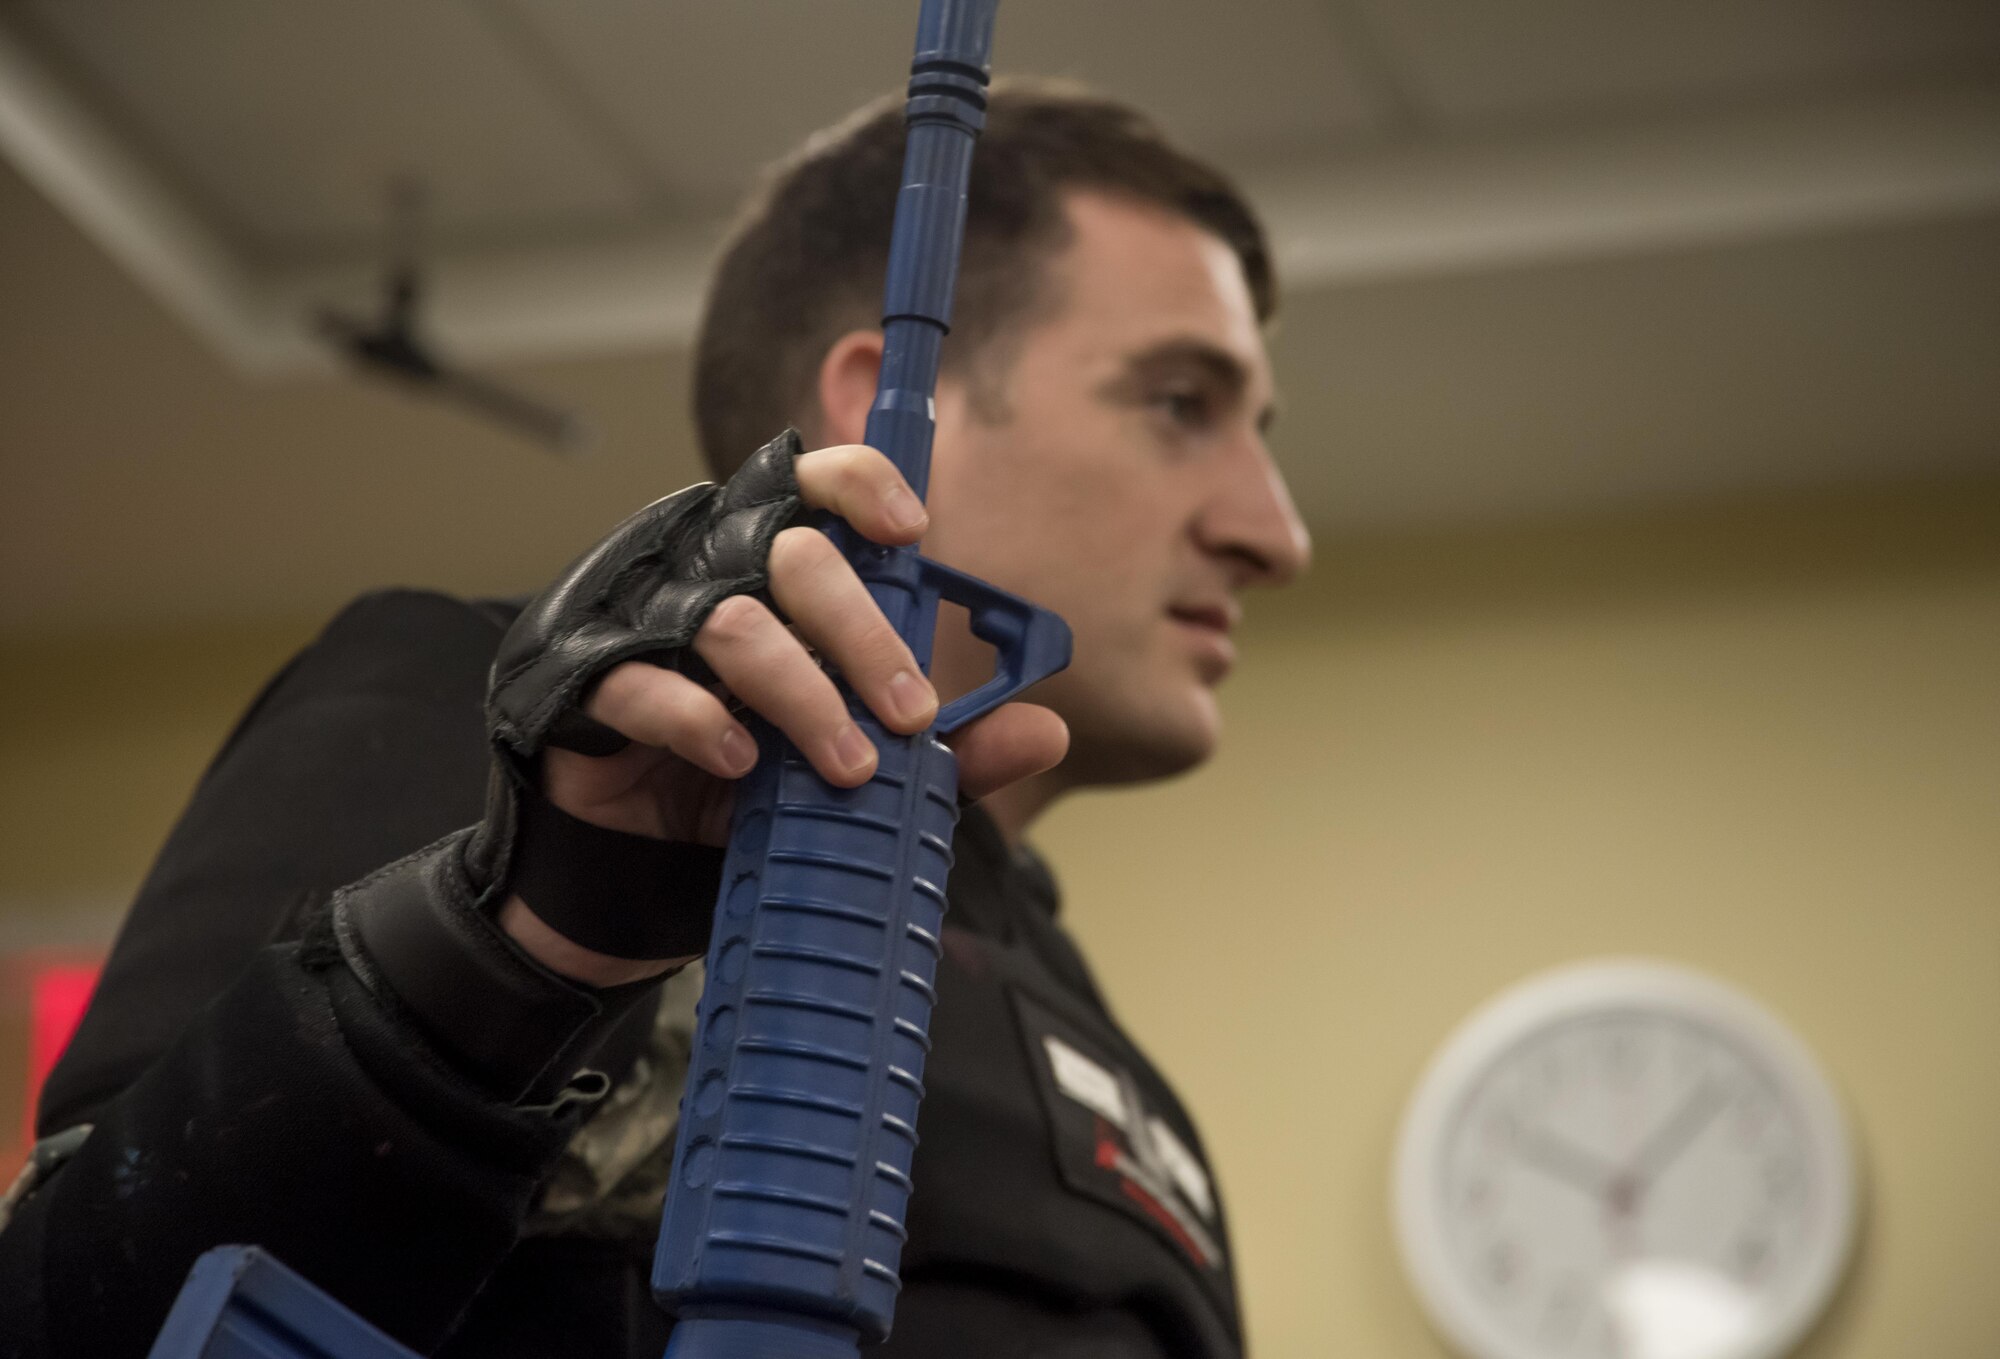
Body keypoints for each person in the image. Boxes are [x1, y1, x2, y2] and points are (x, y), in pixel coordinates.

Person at [0, 82, 1308, 1358]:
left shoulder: (1076, 1005)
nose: (1277, 533)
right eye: (1179, 403)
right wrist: (521, 943)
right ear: (888, 403)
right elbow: (78, 1312)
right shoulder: (468, 698)